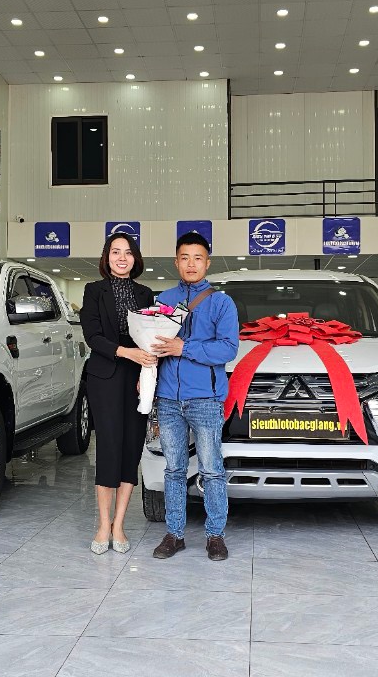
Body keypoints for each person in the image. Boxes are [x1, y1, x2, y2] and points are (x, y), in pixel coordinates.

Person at [150, 233, 240, 561]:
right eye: (185, 258)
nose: (191, 264)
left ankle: (215, 536)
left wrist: (184, 347)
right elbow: (152, 342)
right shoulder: (164, 300)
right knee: (174, 469)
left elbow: (227, 349)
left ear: (207, 263)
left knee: (212, 469)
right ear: (176, 262)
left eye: (197, 258)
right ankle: (174, 534)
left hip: (206, 399)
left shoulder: (221, 303)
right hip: (168, 399)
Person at [80, 233, 156, 554]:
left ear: (135, 258)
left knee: (131, 447)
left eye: (127, 252)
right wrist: (127, 353)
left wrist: (145, 369)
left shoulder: (145, 294)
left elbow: (151, 338)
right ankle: (102, 525)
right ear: (107, 257)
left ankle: (119, 524)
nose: (122, 258)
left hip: (138, 379)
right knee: (109, 447)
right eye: (116, 252)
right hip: (106, 377)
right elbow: (93, 336)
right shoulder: (93, 290)